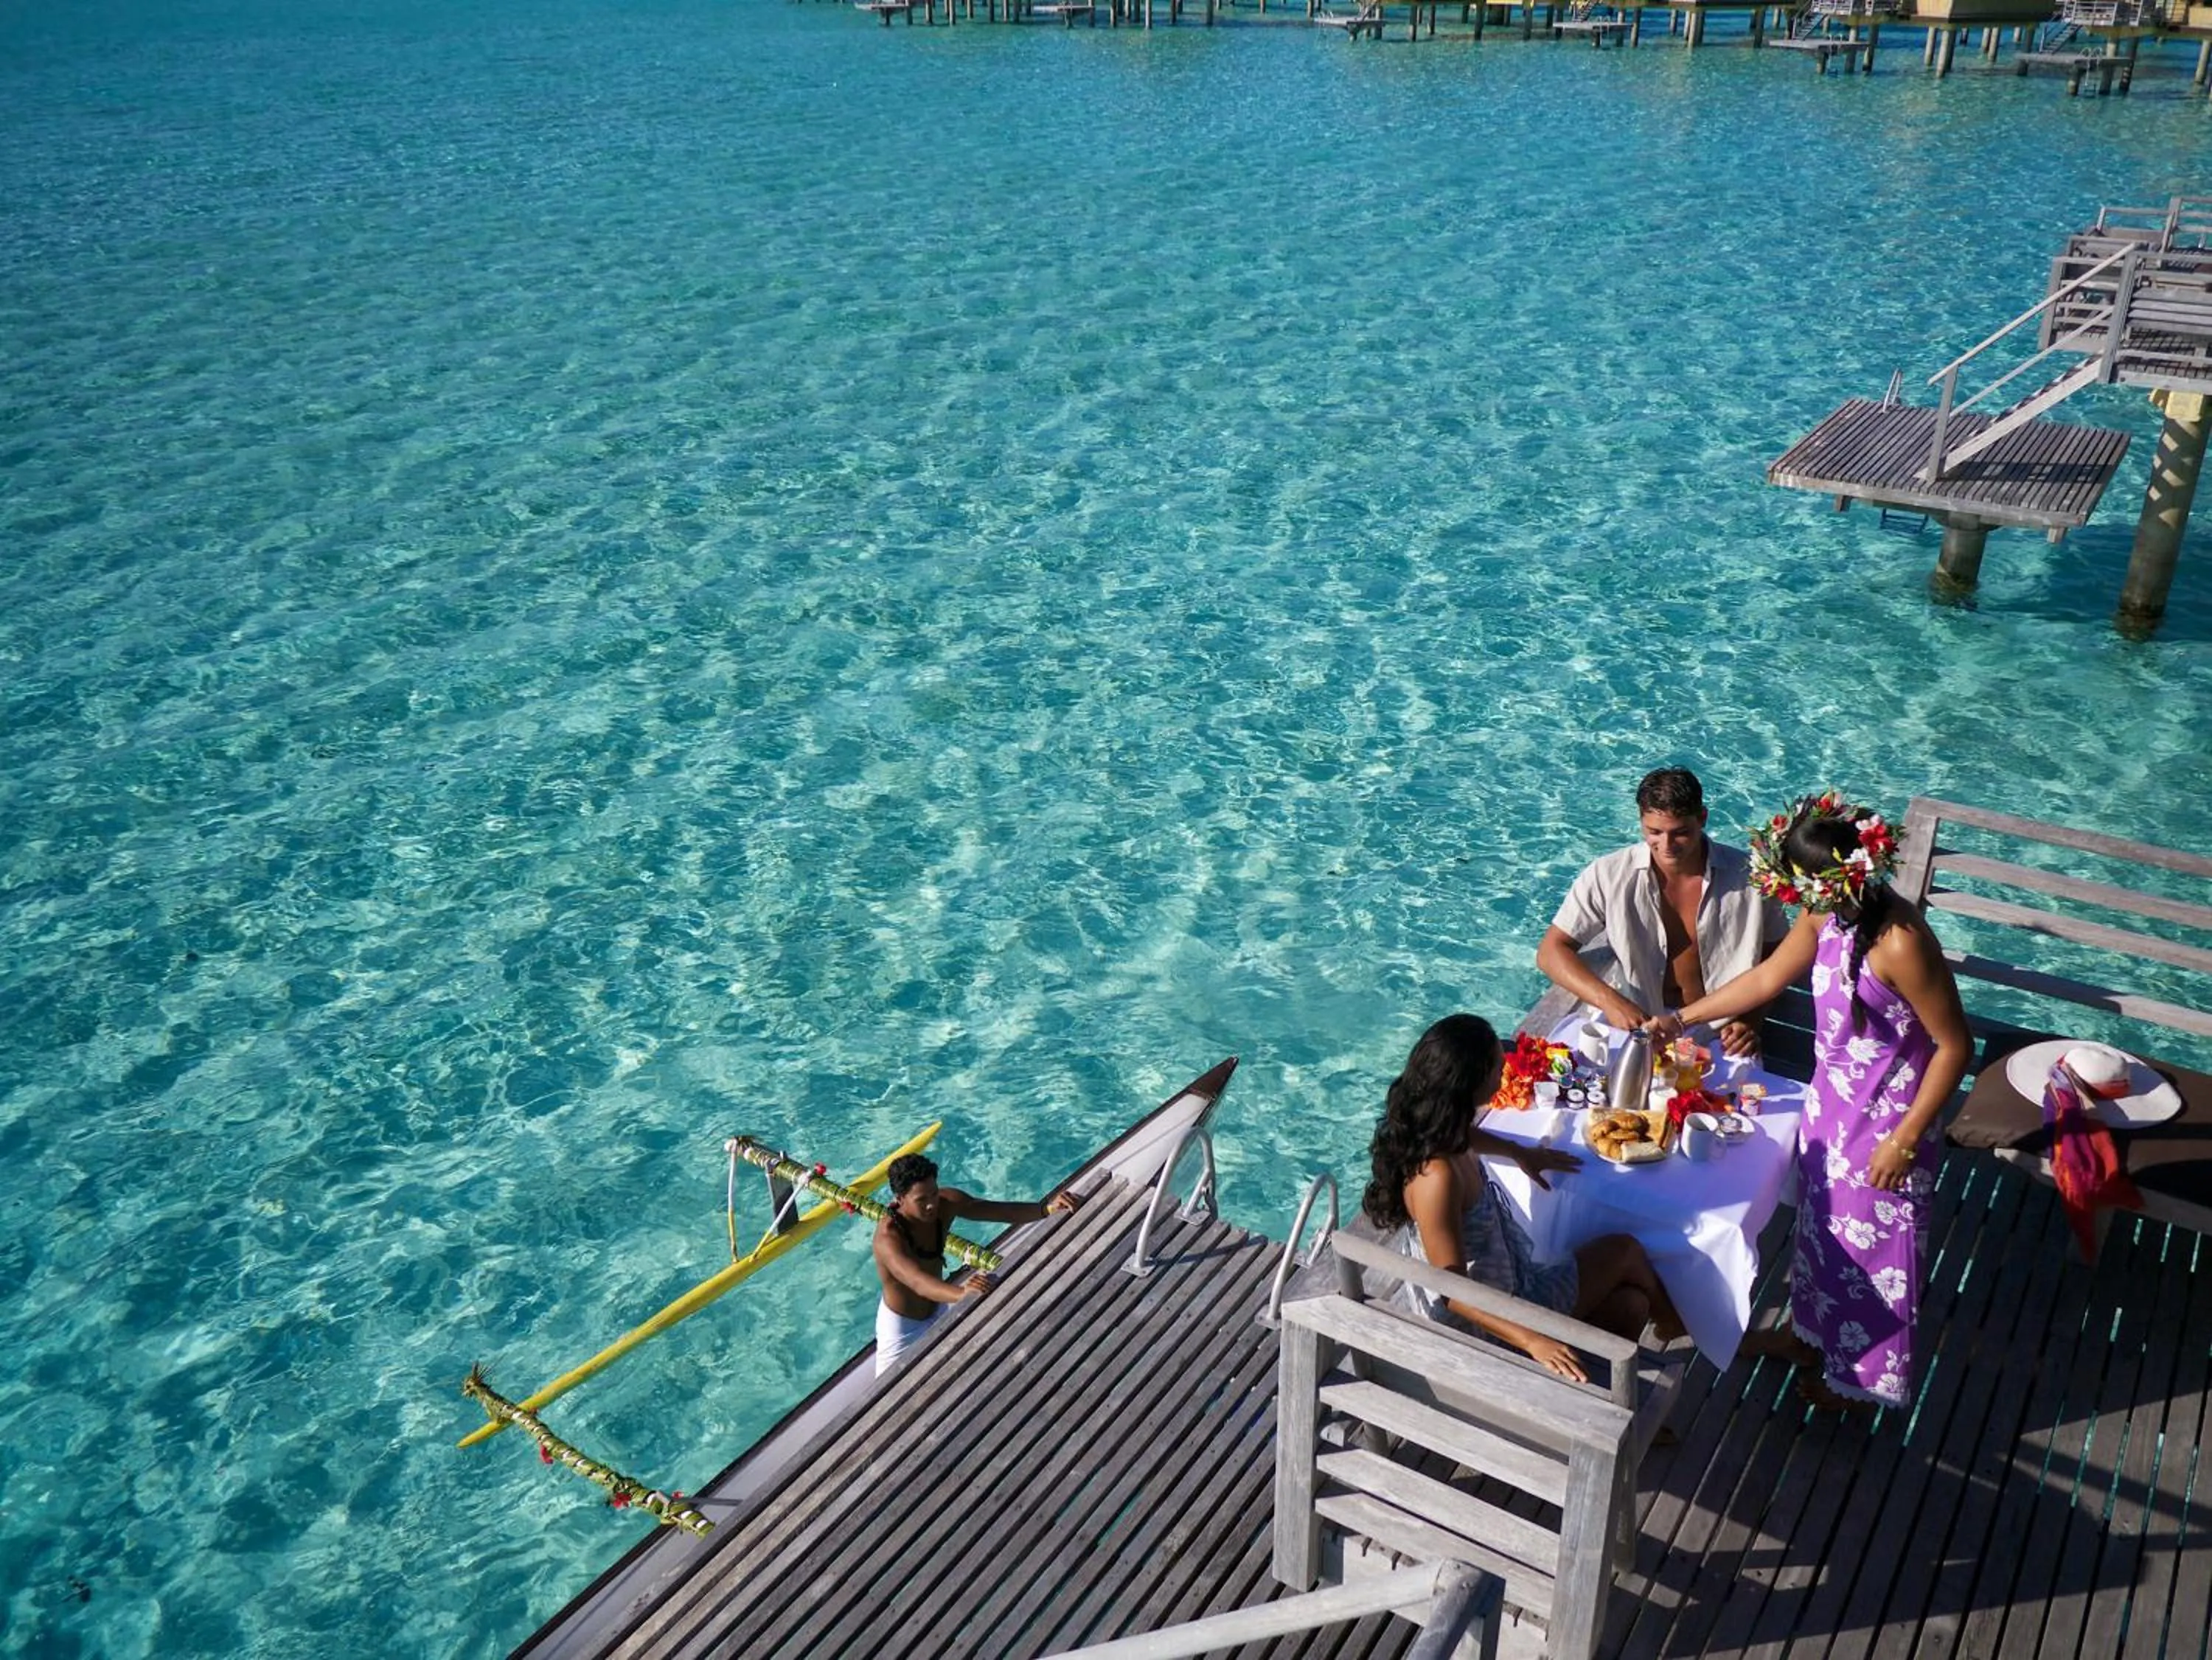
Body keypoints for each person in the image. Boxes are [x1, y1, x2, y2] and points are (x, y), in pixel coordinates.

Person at [1645, 792, 1971, 1414]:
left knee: (1876, 1254)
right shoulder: (1829, 915)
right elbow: (1765, 980)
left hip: (1889, 1121)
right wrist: (1681, 1020)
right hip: (1832, 1107)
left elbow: (1955, 1047)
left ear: (1843, 875)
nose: (1795, 900)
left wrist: (1904, 1141)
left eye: (1803, 888)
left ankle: (1857, 1384)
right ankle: (1812, 1339)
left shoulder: (1900, 942)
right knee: (1823, 1235)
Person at [1362, 1014, 1683, 1383]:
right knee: (1624, 1255)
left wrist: (1519, 1152)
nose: (1504, 1072)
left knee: (1631, 1306)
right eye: (1498, 1067)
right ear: (1471, 1083)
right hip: (1486, 1327)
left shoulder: (1443, 1130)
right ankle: (1668, 1329)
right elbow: (1449, 1291)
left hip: (1514, 1288)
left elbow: (1468, 1137)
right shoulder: (1437, 1178)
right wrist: (1533, 1340)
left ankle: (1603, 1387)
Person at [1537, 766, 1787, 1059]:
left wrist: (1750, 1019)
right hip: (1637, 1025)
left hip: (1722, 1031)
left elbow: (1778, 958)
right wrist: (1610, 1001)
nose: (1666, 846)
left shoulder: (1751, 877)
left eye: (1680, 833)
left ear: (1702, 818)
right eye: (1654, 832)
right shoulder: (1608, 874)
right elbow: (1551, 952)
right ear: (1641, 821)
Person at [872, 1152, 1078, 1376]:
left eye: (933, 1193)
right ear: (899, 1199)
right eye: (921, 1200)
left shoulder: (946, 1203)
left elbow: (997, 1211)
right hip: (903, 1328)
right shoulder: (888, 1239)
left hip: (939, 1306)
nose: (931, 1204)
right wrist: (961, 1294)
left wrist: (1046, 1209)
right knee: (882, 1396)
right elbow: (917, 1281)